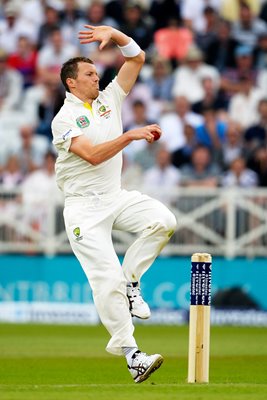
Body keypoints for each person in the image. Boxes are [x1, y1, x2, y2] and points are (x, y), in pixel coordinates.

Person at [51, 24, 177, 383]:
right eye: (89, 74)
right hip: (83, 210)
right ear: (71, 82)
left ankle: (132, 282)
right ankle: (133, 355)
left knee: (163, 221)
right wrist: (130, 135)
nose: (97, 77)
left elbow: (137, 59)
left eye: (96, 72)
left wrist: (117, 34)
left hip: (114, 196)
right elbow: (90, 156)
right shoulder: (64, 118)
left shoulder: (108, 100)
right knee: (106, 281)